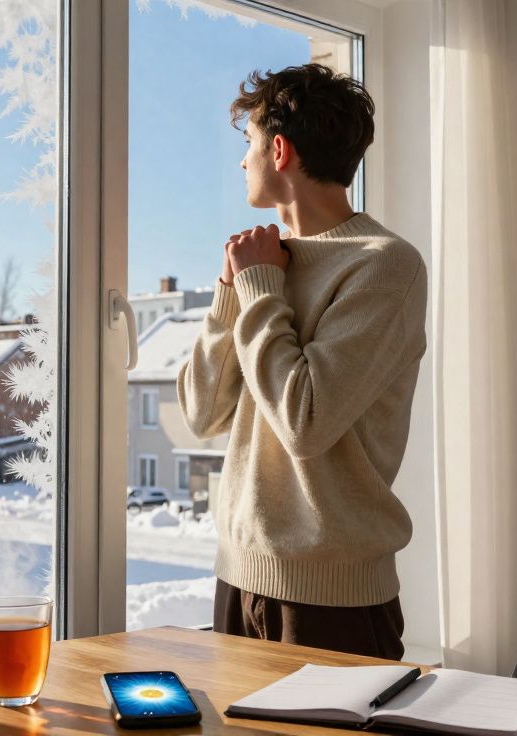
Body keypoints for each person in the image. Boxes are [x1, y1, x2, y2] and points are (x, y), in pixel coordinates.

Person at [177, 64, 427, 661]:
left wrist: (260, 288)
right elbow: (201, 412)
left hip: (333, 601)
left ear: (280, 149)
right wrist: (230, 292)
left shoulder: (384, 264)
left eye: (249, 144)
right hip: (238, 581)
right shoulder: (261, 263)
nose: (243, 161)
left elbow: (305, 423)